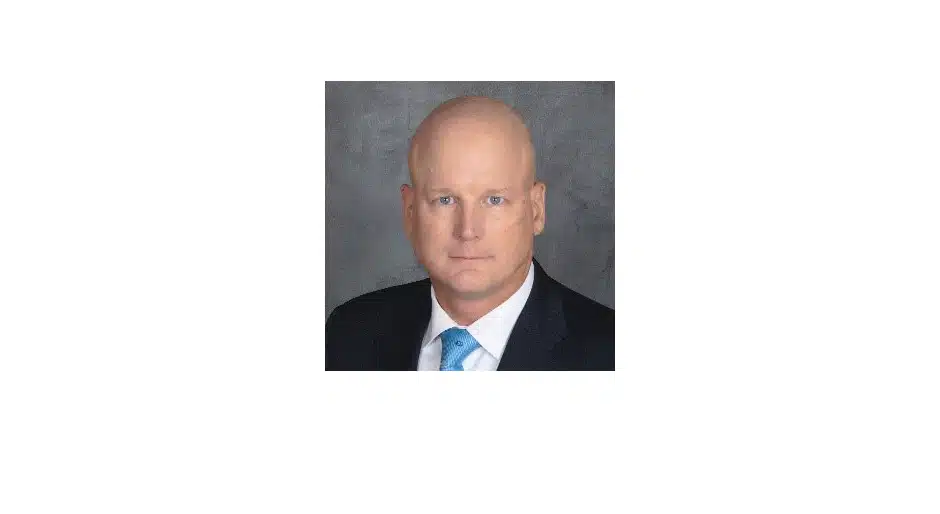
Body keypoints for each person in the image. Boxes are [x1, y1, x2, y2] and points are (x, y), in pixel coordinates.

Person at [325, 95, 614, 371]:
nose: (467, 230)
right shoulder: (349, 334)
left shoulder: (611, 352)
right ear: (410, 212)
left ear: (536, 210)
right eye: (445, 200)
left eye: (494, 200)